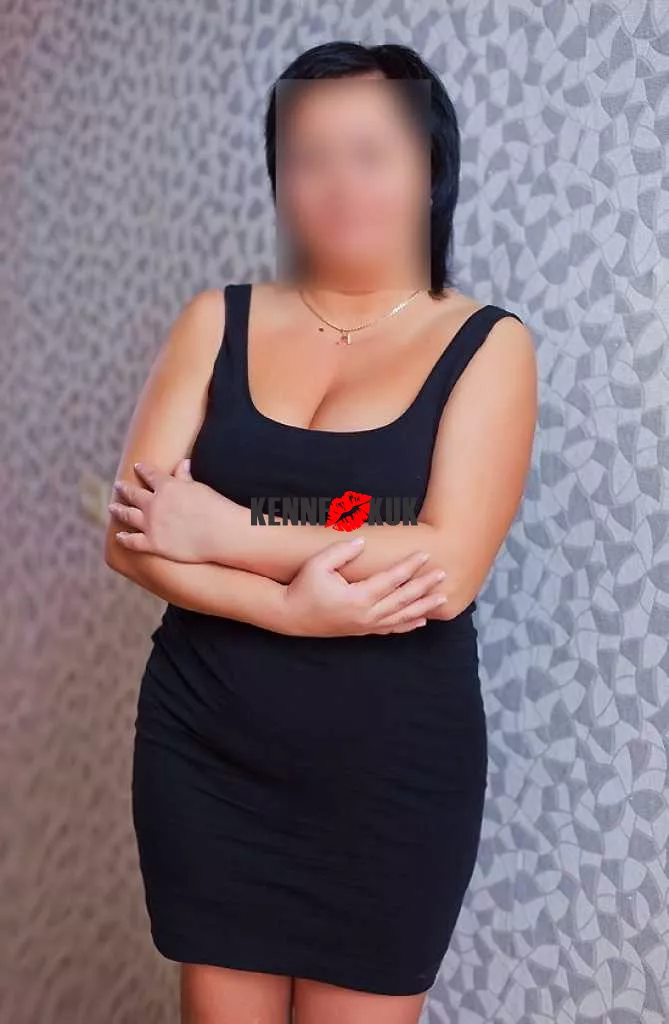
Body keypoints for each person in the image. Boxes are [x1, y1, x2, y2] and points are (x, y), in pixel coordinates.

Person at [105, 40, 537, 1024]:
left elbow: (444, 559)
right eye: (308, 157)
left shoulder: (487, 343)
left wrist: (228, 527)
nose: (339, 184)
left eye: (370, 153)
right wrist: (289, 610)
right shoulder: (215, 321)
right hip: (206, 748)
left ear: (430, 169)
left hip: (387, 776)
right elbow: (133, 537)